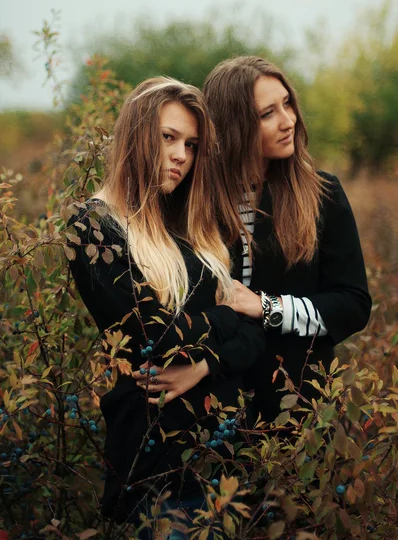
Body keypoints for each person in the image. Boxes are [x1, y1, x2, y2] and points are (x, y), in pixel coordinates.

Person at [67, 77, 265, 531]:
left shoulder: (192, 228)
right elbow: (156, 336)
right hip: (157, 470)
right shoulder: (94, 226)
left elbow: (255, 334)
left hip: (227, 460)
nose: (181, 155)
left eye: (191, 145)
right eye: (168, 137)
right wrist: (226, 313)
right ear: (137, 135)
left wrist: (202, 366)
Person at [143, 57, 371, 425]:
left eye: (287, 104)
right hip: (210, 407)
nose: (289, 120)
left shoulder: (321, 194)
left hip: (297, 405)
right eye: (267, 114)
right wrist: (203, 366)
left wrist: (268, 308)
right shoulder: (192, 202)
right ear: (235, 127)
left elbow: (353, 304)